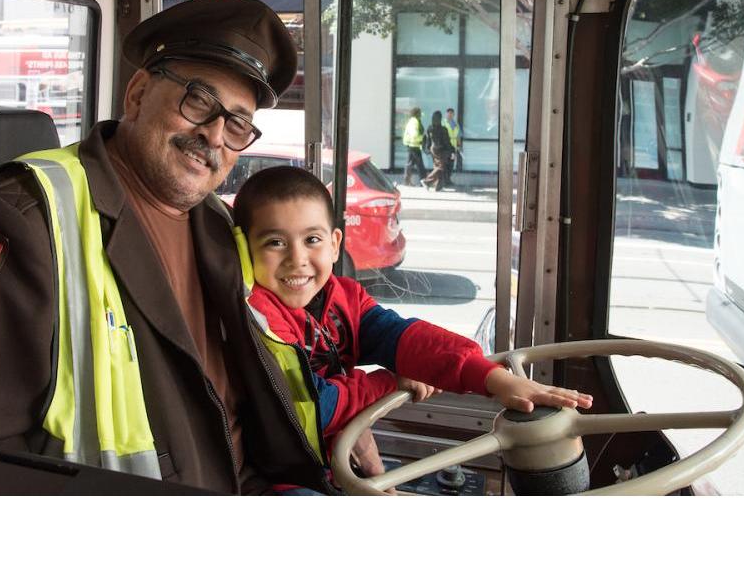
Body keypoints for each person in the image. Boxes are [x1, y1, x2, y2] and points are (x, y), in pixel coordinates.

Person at [0, 0, 336, 495]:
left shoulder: (217, 223)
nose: (214, 136)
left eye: (238, 123)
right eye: (199, 101)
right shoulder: (20, 221)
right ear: (137, 94)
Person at [234, 165, 593, 485]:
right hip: (283, 477)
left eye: (311, 240)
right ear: (245, 252)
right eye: (275, 243)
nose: (297, 259)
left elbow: (405, 339)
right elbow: (314, 406)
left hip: (338, 457)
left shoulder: (344, 297)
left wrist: (495, 379)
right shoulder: (261, 316)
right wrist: (389, 382)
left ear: (334, 244)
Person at [421, 109, 455, 190]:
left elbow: (426, 139)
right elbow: (447, 142)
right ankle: (427, 181)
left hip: (433, 149)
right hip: (441, 150)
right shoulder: (443, 129)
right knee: (440, 167)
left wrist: (427, 149)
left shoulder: (430, 128)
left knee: (437, 167)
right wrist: (452, 151)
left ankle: (438, 186)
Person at [401, 106, 427, 186]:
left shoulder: (413, 120)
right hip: (414, 145)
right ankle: (424, 181)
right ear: (417, 113)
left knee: (410, 164)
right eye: (419, 112)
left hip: (412, 145)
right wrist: (423, 136)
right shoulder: (414, 121)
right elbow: (414, 135)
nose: (420, 114)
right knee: (420, 165)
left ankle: (407, 181)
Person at [444, 107, 462, 177]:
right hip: (445, 147)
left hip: (453, 147)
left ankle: (448, 179)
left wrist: (459, 146)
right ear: (446, 114)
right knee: (445, 163)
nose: (450, 115)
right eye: (449, 114)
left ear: (454, 115)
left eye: (452, 114)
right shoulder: (443, 123)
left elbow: (458, 135)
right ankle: (444, 179)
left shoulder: (456, 124)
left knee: (451, 163)